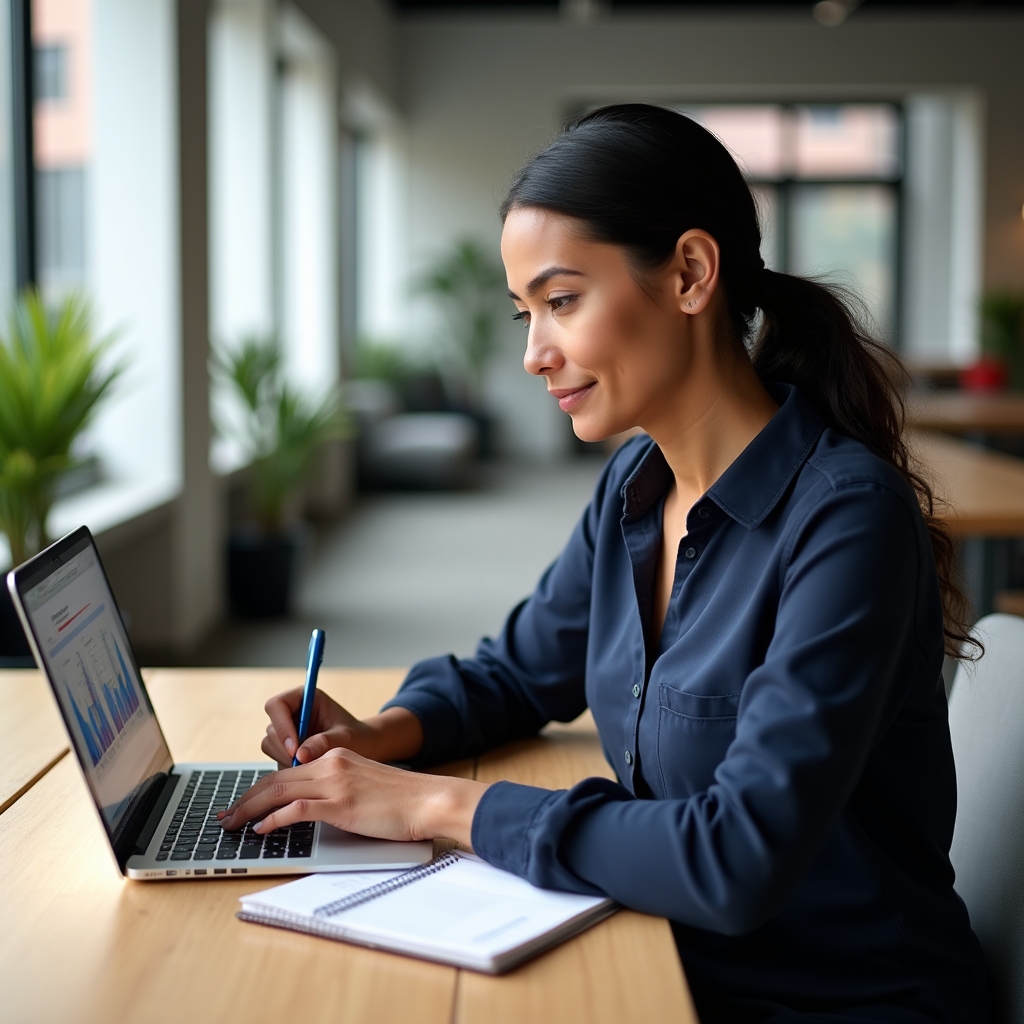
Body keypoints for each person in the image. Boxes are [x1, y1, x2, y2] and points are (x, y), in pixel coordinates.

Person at [220, 105, 990, 1022]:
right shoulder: (638, 480)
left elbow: (735, 856)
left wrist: (430, 808)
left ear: (691, 275)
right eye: (524, 312)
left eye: (561, 301)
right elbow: (519, 669)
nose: (533, 353)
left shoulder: (846, 521)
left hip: (835, 998)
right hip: (675, 954)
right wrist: (384, 736)